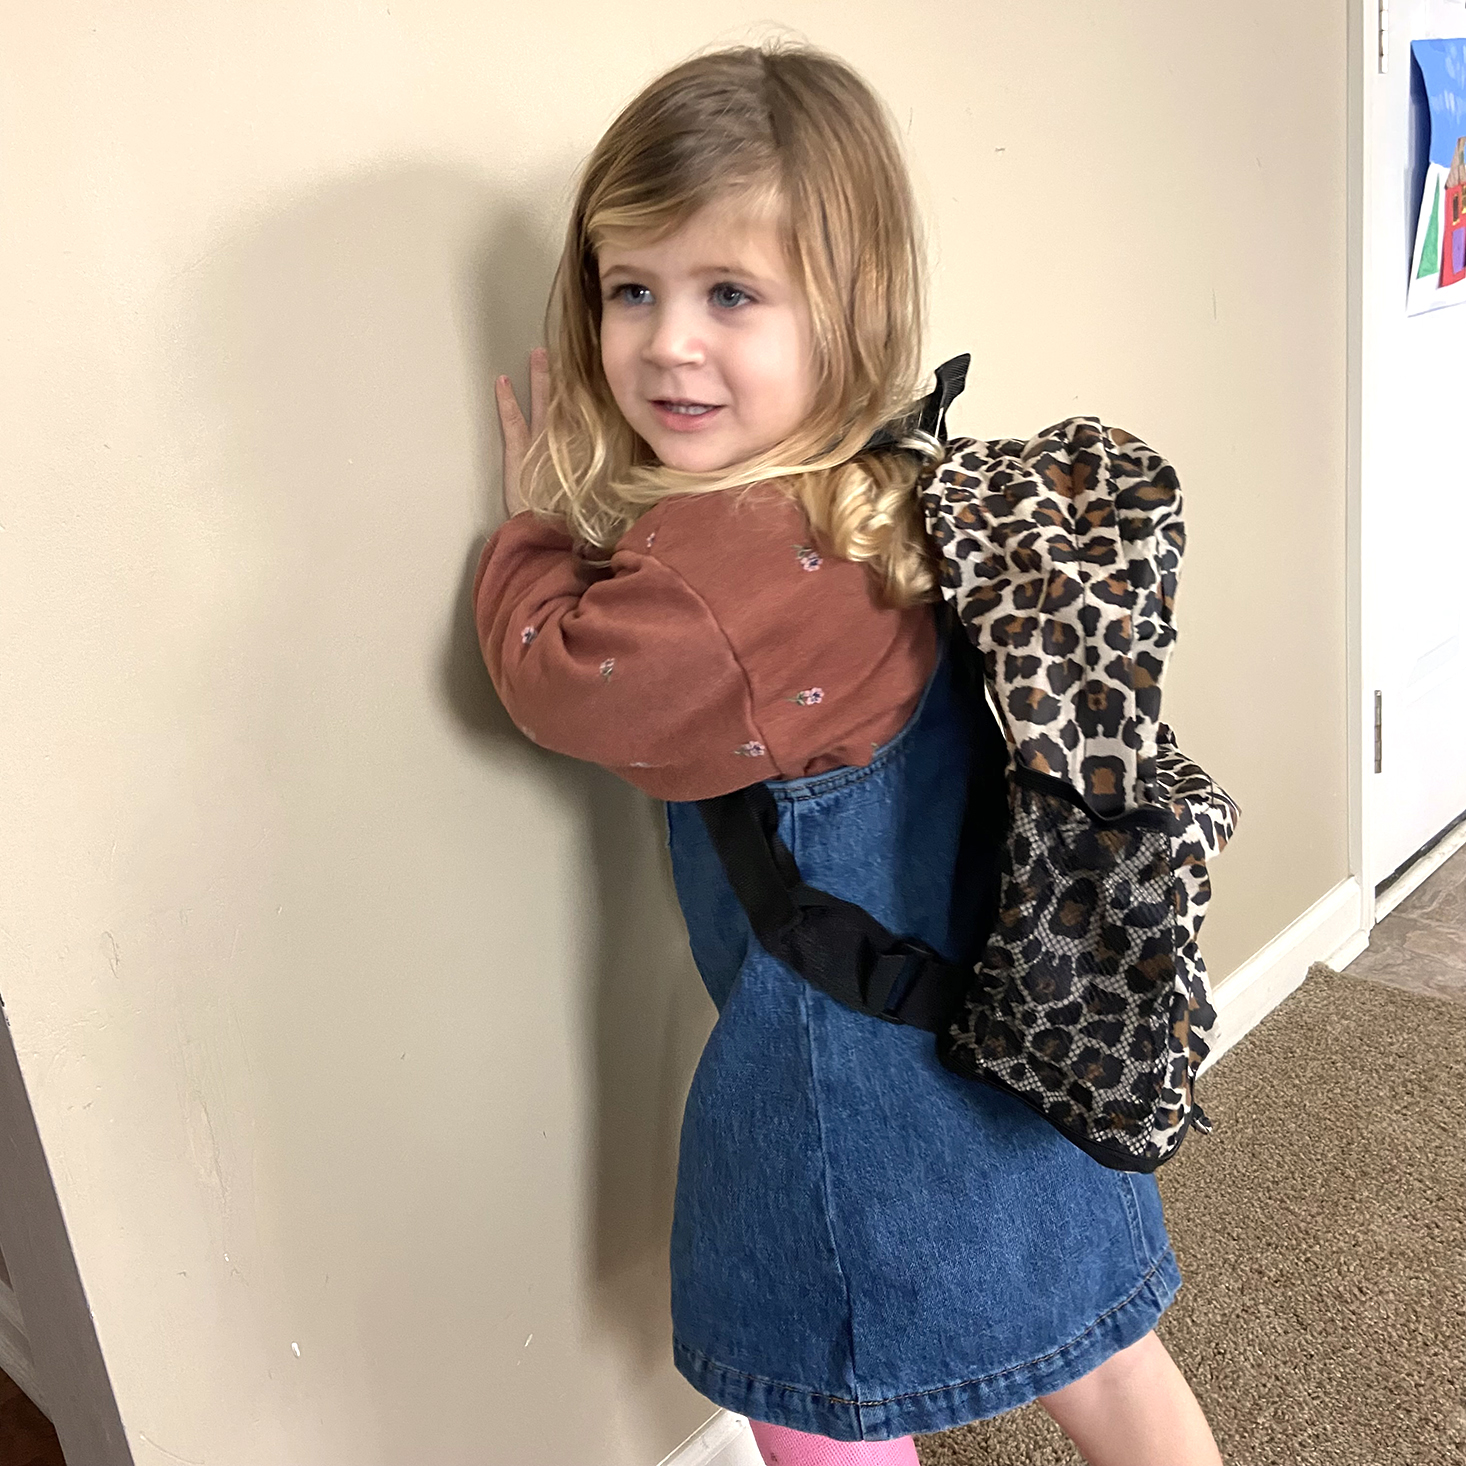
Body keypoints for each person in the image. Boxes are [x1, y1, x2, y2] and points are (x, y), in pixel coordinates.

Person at [471, 41, 1224, 1466]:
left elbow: (559, 681)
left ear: (848, 308)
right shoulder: (895, 479)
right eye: (631, 289)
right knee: (1112, 1358)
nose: (666, 341)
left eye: (729, 294)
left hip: (853, 1093)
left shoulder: (716, 574)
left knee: (818, 1387)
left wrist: (533, 530)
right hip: (1020, 1034)